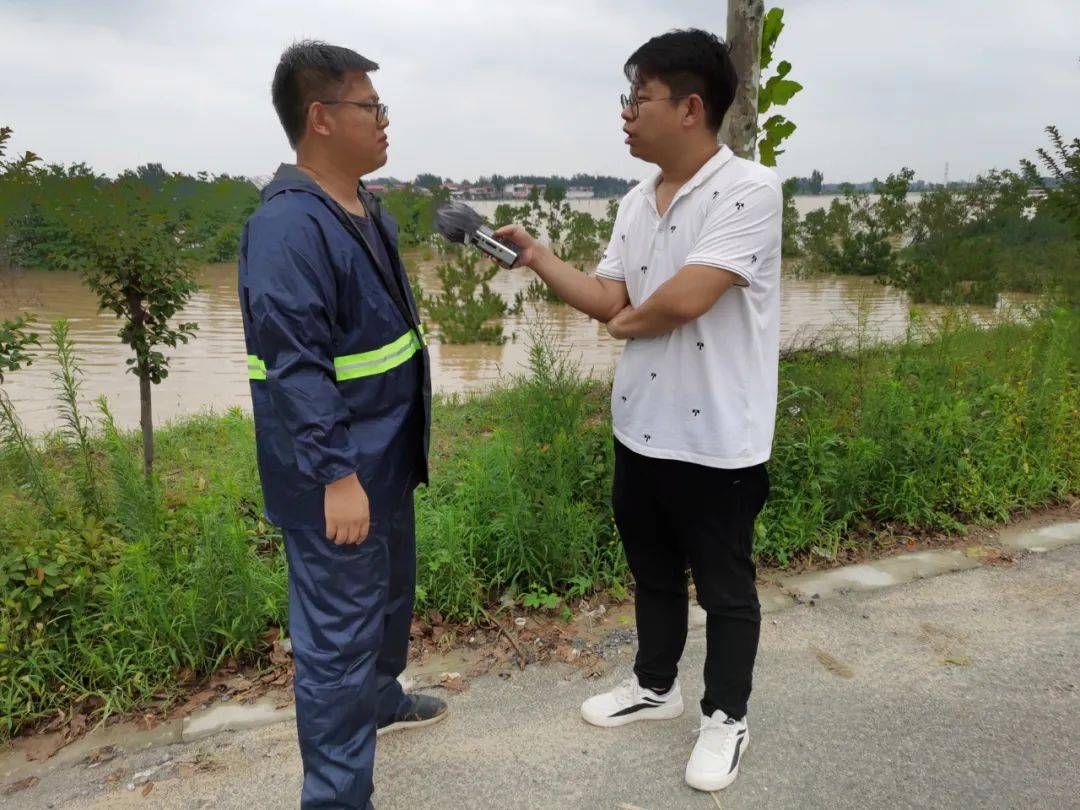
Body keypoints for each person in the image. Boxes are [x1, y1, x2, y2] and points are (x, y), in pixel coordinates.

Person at [495, 28, 781, 793]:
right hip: (641, 426)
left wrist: (620, 325)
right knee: (652, 573)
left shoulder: (750, 190)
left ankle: (727, 718)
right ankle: (656, 686)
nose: (625, 114)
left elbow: (686, 298)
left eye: (639, 98)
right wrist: (539, 258)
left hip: (720, 436)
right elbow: (611, 296)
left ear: (691, 107)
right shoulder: (633, 202)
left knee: (725, 587)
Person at [238, 40, 445, 808]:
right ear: (320, 118)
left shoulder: (362, 208)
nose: (383, 119)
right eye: (369, 106)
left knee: (389, 603)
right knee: (335, 645)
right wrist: (335, 474)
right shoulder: (290, 227)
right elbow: (294, 366)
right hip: (340, 477)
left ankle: (383, 699)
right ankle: (334, 797)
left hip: (383, 459)